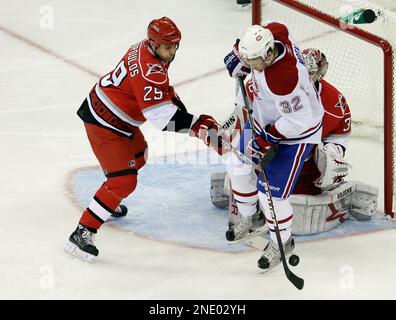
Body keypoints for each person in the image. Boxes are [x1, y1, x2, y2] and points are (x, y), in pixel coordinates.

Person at [64, 17, 223, 262]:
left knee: (140, 156)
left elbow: (161, 92)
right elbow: (160, 118)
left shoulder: (147, 49)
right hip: (104, 122)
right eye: (167, 47)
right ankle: (83, 231)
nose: (172, 52)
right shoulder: (149, 69)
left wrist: (186, 115)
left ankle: (107, 198)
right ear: (153, 43)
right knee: (124, 181)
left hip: (117, 118)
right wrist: (196, 124)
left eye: (174, 46)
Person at [213, 47, 378, 238]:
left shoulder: (334, 102)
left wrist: (332, 153)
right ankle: (251, 208)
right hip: (265, 155)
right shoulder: (264, 84)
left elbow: (339, 134)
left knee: (297, 200)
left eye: (310, 76)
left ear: (319, 75)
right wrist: (228, 133)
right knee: (242, 163)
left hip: (303, 166)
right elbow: (244, 115)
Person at [223, 22, 324, 272]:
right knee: (237, 165)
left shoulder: (283, 79)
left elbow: (298, 120)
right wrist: (238, 55)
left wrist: (266, 138)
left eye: (254, 61)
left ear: (269, 54)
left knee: (271, 194)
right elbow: (266, 32)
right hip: (264, 120)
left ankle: (283, 242)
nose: (251, 65)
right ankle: (250, 217)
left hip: (296, 135)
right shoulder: (276, 34)